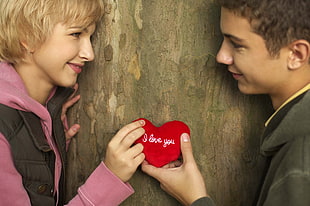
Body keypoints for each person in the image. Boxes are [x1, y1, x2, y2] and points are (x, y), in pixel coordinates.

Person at [142, 0, 310, 205]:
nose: (221, 56)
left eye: (237, 45)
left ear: (296, 54)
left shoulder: (301, 160)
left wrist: (195, 200)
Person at [0, 0, 146, 205]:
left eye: (91, 37)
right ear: (28, 36)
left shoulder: (38, 115)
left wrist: (51, 139)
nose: (90, 54)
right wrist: (109, 180)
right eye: (76, 34)